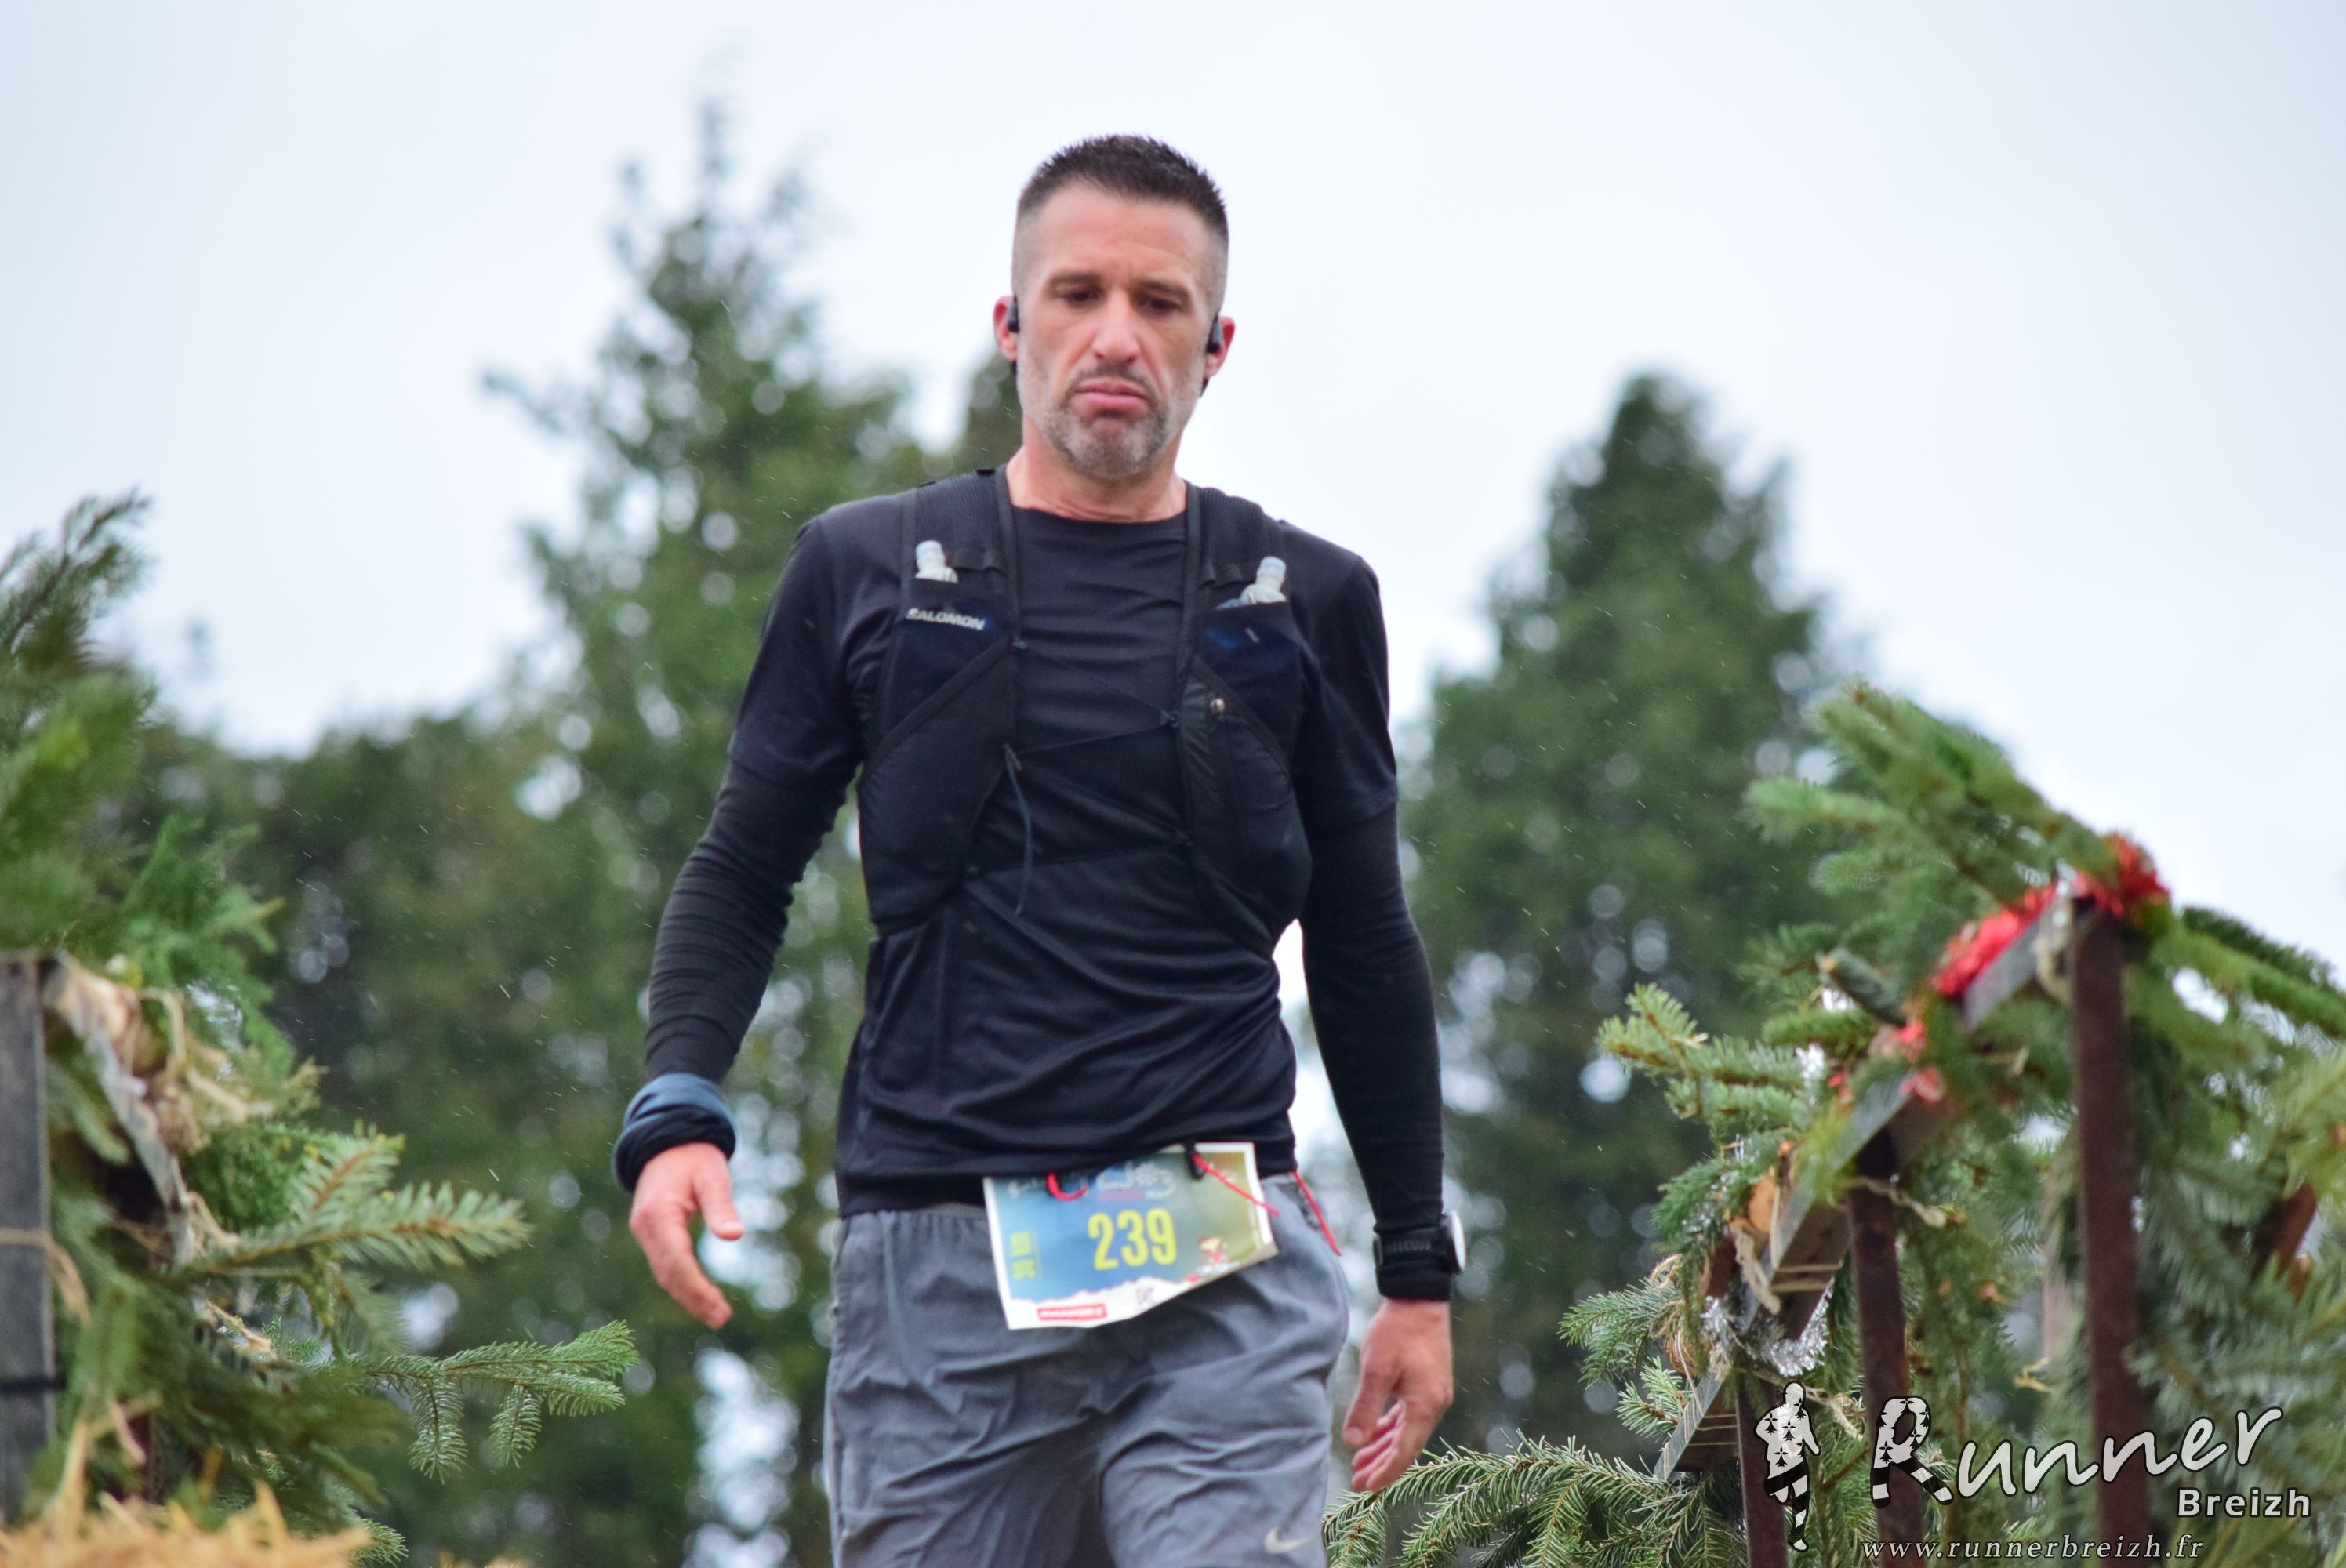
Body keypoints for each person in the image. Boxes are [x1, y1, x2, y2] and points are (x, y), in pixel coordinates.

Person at [613, 133, 1458, 1567]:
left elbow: (1367, 939)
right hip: (938, 1271)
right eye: (1077, 294)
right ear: (1012, 325)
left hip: (1223, 1256)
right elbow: (745, 866)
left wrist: (1417, 1275)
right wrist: (680, 1108)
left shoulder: (1305, 601)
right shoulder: (867, 572)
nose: (1116, 335)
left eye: (1160, 302)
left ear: (1216, 347)